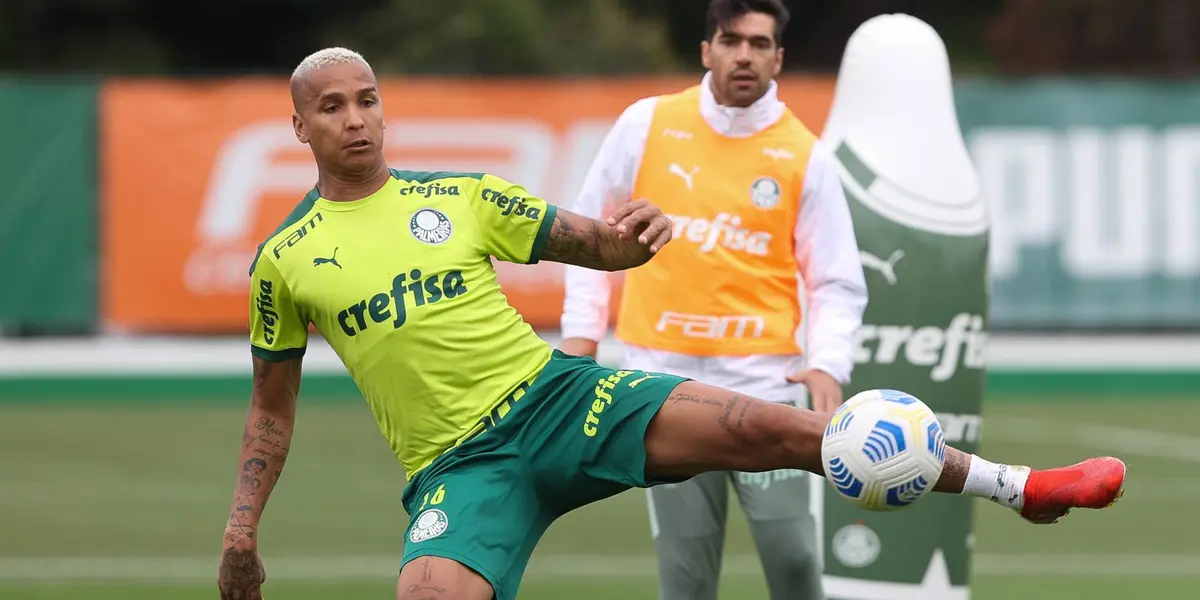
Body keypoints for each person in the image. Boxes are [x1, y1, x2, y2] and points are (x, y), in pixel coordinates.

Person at [216, 46, 1127, 600]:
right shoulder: (285, 261)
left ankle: (1021, 486)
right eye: (331, 107)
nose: (356, 118)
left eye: (367, 99)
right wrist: (240, 533)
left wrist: (632, 242)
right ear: (299, 128)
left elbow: (597, 244)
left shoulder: (459, 194)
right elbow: (271, 410)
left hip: (557, 398)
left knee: (769, 426)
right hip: (460, 466)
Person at [558, 1, 863, 597]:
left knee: (795, 558)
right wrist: (579, 342)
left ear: (779, 57)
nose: (743, 54)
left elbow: (836, 279)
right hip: (660, 386)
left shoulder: (807, 155)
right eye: (730, 40)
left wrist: (828, 362)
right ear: (707, 51)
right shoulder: (646, 125)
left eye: (758, 43)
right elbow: (587, 237)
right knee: (686, 576)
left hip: (765, 386)